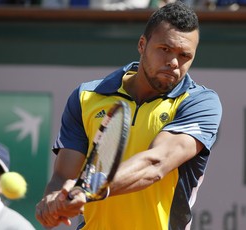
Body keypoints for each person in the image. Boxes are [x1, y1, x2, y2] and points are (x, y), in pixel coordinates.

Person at [35, 1, 222, 229]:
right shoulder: (86, 97)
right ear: (142, 45)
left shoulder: (199, 103)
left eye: (184, 55)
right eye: (165, 49)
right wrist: (53, 201)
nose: (174, 62)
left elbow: (154, 164)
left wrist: (88, 188)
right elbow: (64, 174)